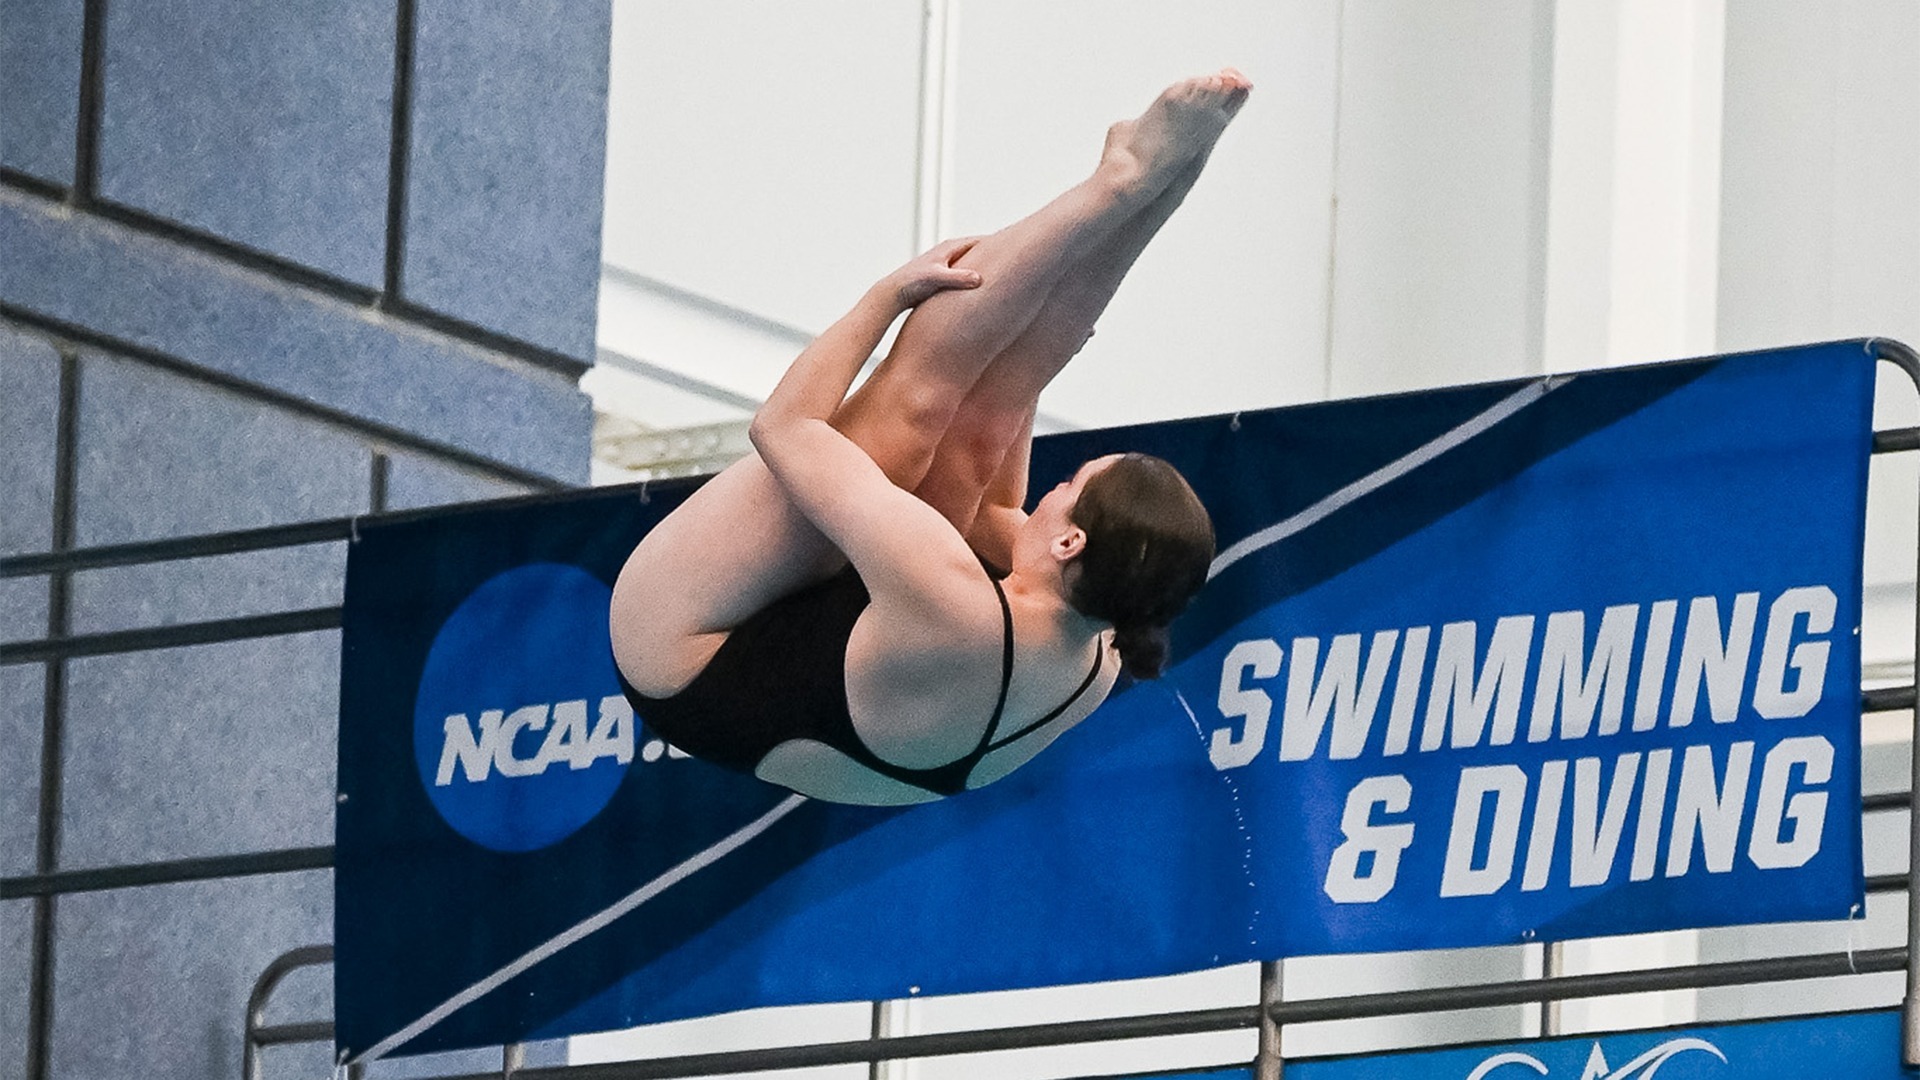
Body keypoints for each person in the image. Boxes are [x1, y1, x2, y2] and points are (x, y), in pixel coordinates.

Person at [610, 70, 1251, 805]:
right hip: (872, 683)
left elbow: (784, 428)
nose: (1053, 488)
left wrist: (886, 297)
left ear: (1072, 540)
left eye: (1070, 486)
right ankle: (1167, 178)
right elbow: (997, 492)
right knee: (987, 421)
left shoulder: (948, 597)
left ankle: (1117, 182)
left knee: (906, 414)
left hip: (686, 652)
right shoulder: (1097, 648)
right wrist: (1034, 363)